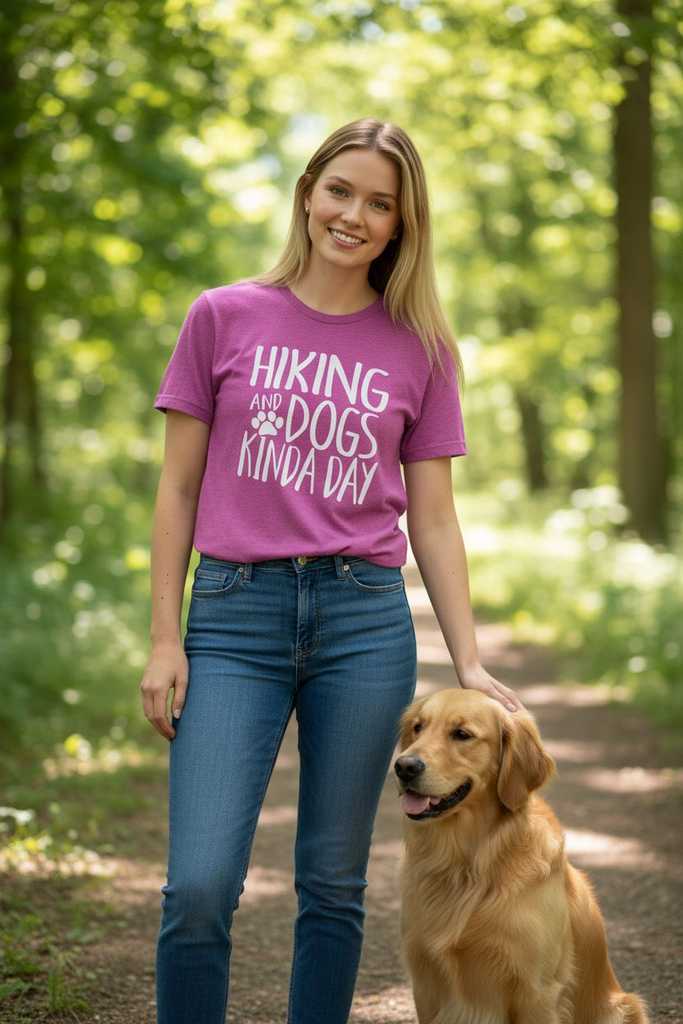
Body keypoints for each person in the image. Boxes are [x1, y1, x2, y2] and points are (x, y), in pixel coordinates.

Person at [141, 116, 524, 1024]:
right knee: (197, 886)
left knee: (332, 883)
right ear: (308, 191)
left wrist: (468, 663)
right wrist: (165, 636)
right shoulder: (222, 314)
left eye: (380, 203)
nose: (354, 214)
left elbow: (432, 517)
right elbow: (177, 488)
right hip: (235, 615)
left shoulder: (420, 348)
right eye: (340, 190)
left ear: (401, 226)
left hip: (363, 622)